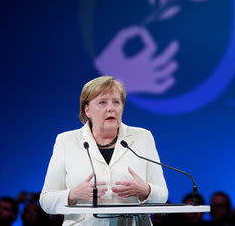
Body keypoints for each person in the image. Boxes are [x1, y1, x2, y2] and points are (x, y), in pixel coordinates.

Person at [40, 76, 168, 225]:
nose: (111, 108)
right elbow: (46, 201)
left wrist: (146, 190)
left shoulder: (143, 138)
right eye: (102, 102)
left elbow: (162, 195)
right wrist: (72, 194)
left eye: (116, 102)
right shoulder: (66, 141)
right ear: (87, 110)